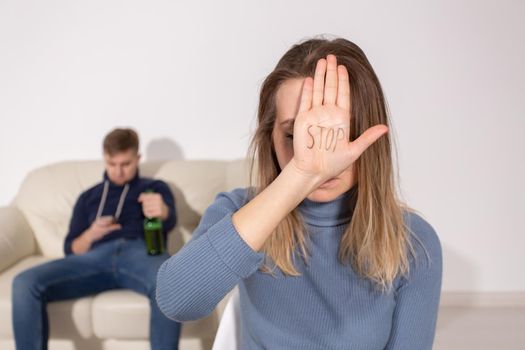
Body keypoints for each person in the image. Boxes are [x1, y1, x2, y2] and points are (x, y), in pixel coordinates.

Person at [156, 38, 442, 349]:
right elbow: (176, 301)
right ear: (270, 137)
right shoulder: (241, 211)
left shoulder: (414, 243)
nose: (321, 154)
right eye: (295, 135)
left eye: (339, 135)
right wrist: (301, 174)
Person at [12, 128, 181, 350]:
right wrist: (90, 234)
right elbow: (71, 248)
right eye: (112, 164)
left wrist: (164, 211)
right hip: (94, 258)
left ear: (138, 158)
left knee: (170, 282)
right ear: (104, 159)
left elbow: (170, 222)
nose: (118, 171)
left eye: (126, 164)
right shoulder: (89, 196)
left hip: (139, 252)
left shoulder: (155, 187)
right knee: (24, 283)